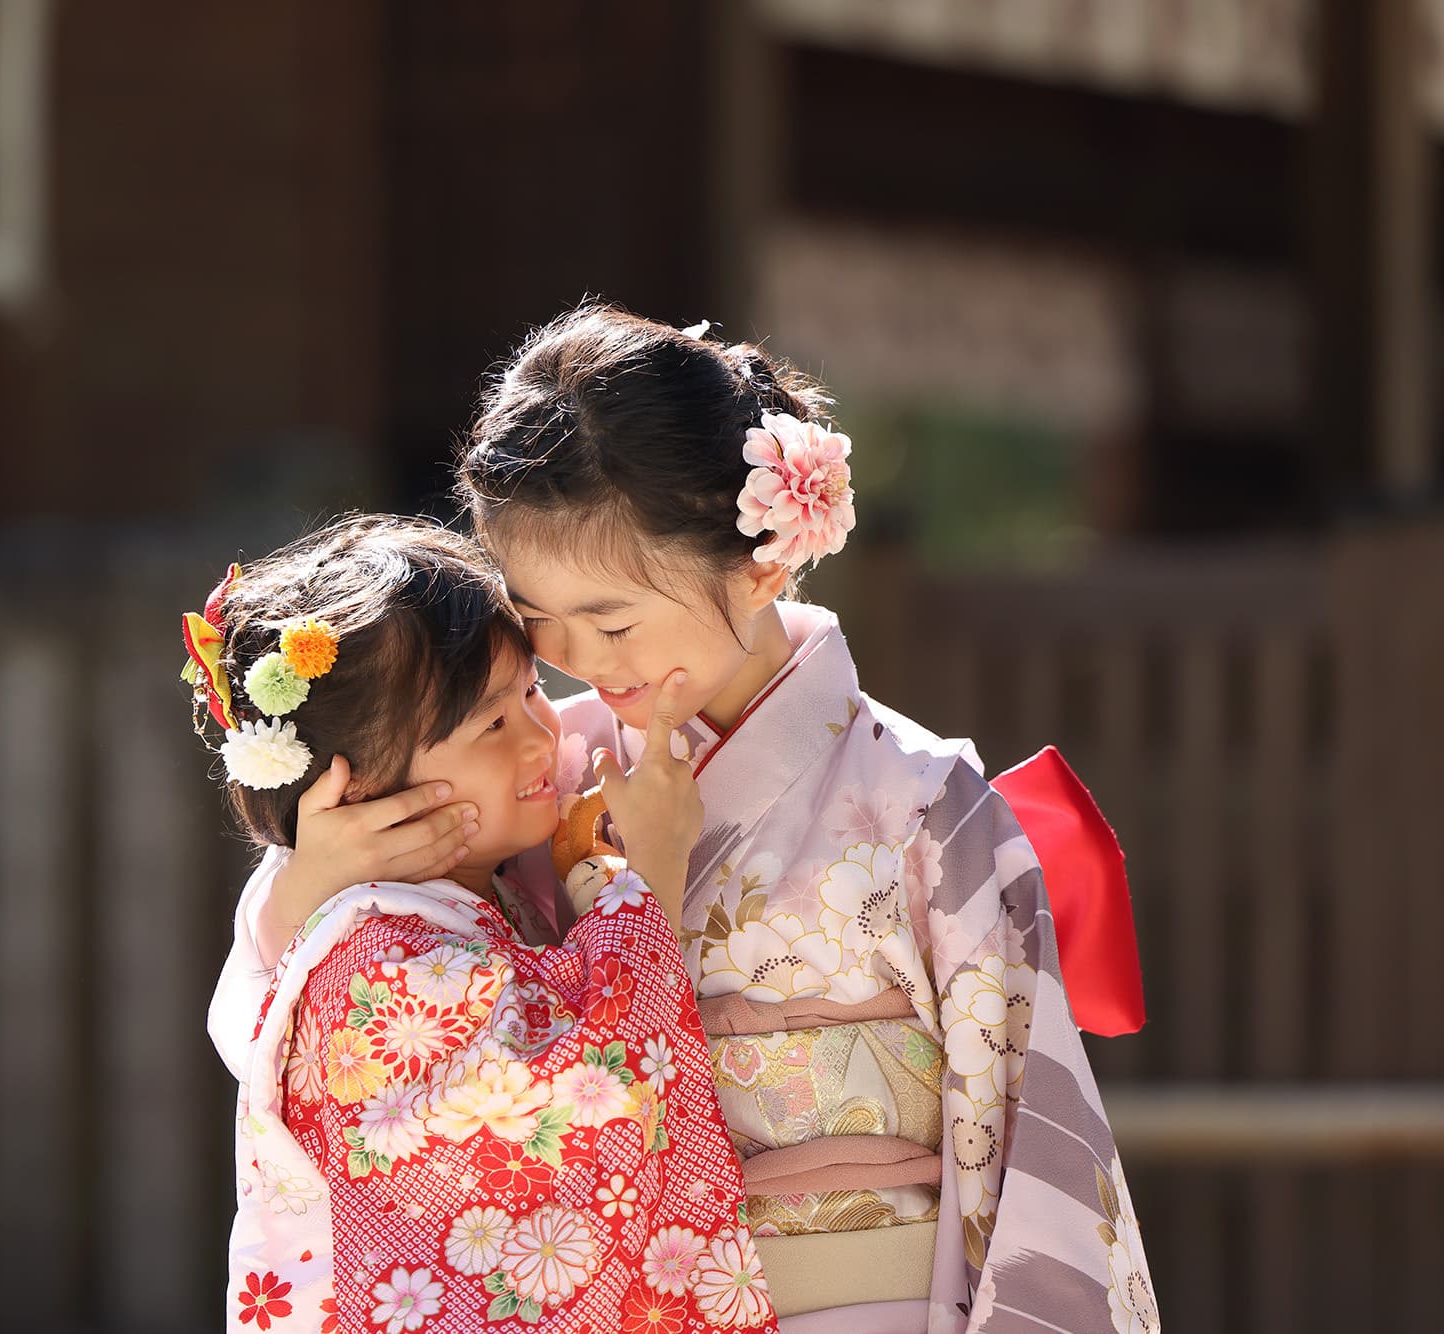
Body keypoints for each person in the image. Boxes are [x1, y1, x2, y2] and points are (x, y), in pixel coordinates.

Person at [222, 307, 1158, 1333]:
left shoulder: (920, 801)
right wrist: (304, 885)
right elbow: (346, 1020)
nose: (579, 661)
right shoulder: (540, 773)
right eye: (540, 626)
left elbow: (1027, 1129)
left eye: (612, 620)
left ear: (759, 563)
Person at [192, 515, 779, 1333]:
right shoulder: (371, 960)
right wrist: (651, 873)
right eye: (492, 724)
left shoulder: (406, 907)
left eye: (532, 691)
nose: (544, 734)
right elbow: (570, 1102)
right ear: (354, 794)